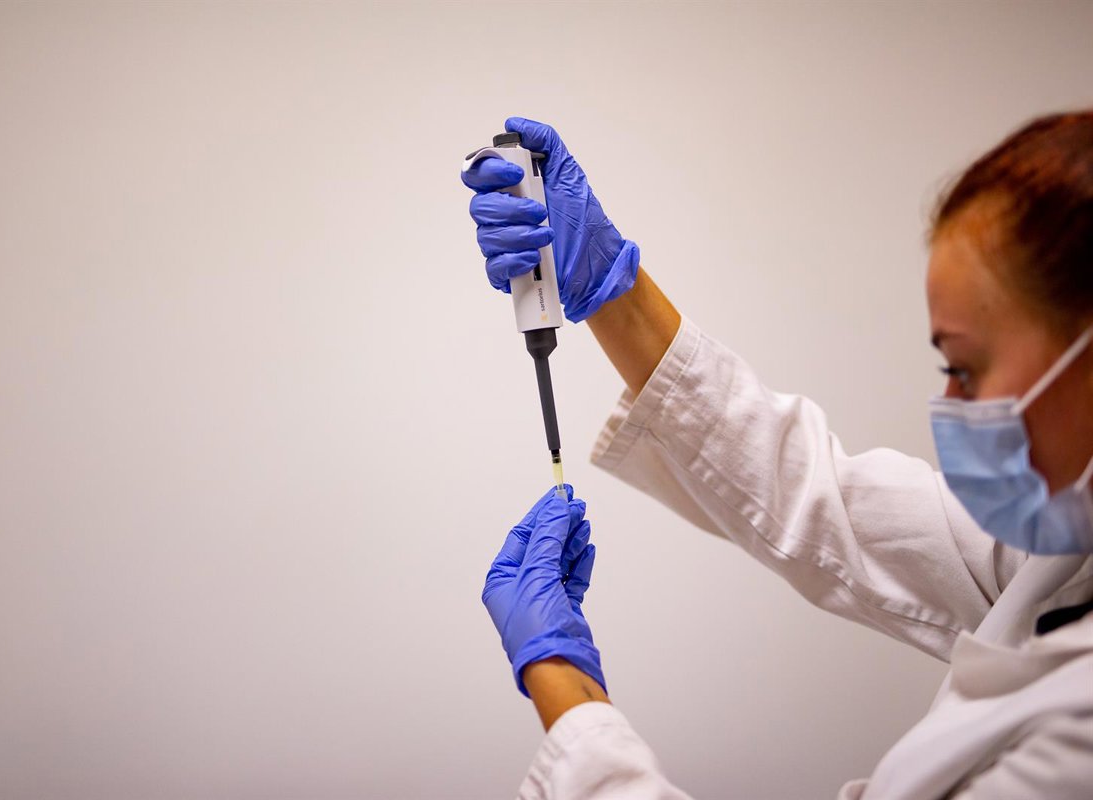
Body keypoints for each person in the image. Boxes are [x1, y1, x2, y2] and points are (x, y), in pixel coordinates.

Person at [462, 113, 1093, 799]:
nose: (949, 401)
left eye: (964, 368)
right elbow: (823, 503)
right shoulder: (1064, 556)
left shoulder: (1077, 740)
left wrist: (560, 681)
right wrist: (609, 288)